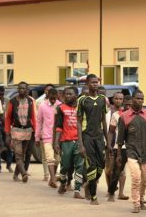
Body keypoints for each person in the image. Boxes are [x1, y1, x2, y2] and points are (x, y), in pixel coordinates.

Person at [117, 90, 146, 213]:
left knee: (144, 180)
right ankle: (136, 203)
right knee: (136, 177)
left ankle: (141, 198)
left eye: (142, 99)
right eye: (138, 98)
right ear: (132, 99)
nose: (140, 101)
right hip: (131, 152)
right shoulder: (124, 116)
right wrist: (118, 154)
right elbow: (120, 138)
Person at [77, 74, 110, 205]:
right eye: (92, 82)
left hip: (99, 137)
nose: (95, 84)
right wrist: (81, 144)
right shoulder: (82, 100)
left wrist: (107, 141)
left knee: (101, 165)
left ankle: (87, 184)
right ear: (87, 83)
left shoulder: (103, 99)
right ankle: (94, 196)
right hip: (87, 137)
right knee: (91, 165)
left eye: (96, 82)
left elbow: (104, 120)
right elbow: (79, 123)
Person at [54, 86, 85, 199]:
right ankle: (63, 182)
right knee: (65, 166)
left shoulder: (81, 108)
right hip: (66, 141)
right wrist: (56, 142)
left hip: (79, 141)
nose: (67, 96)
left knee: (79, 166)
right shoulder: (60, 108)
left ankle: (77, 190)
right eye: (66, 94)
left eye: (70, 94)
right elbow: (58, 127)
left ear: (76, 95)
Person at [5, 81, 37, 183]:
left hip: (28, 130)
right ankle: (24, 173)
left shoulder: (31, 101)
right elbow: (8, 118)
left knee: (22, 154)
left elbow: (33, 117)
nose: (21, 90)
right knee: (18, 154)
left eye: (23, 88)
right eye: (19, 88)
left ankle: (15, 175)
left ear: (27, 90)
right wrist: (7, 133)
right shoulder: (12, 101)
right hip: (16, 130)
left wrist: (36, 132)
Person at [36, 88, 62, 188]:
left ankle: (52, 178)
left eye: (54, 98)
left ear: (57, 97)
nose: (53, 100)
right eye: (51, 98)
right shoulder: (42, 106)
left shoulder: (60, 106)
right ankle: (53, 179)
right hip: (46, 136)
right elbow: (39, 122)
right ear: (47, 96)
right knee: (49, 158)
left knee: (58, 159)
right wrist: (37, 137)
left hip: (58, 138)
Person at [106, 91, 129, 202]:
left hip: (133, 147)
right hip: (118, 147)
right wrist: (109, 144)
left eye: (121, 99)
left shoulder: (136, 115)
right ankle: (111, 193)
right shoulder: (115, 115)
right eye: (116, 98)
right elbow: (111, 131)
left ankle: (138, 197)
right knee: (115, 171)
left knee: (136, 172)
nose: (119, 101)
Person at [36, 84, 55, 181]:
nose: (49, 92)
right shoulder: (39, 103)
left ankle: (54, 174)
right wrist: (37, 135)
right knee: (45, 155)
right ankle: (46, 174)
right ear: (45, 91)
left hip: (55, 134)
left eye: (51, 90)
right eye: (47, 90)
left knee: (56, 156)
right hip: (44, 133)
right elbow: (38, 120)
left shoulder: (58, 104)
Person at [0, 86, 13, 173]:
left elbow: (10, 113)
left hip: (7, 126)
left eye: (3, 92)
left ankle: (9, 165)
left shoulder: (7, 100)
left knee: (9, 145)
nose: (1, 94)